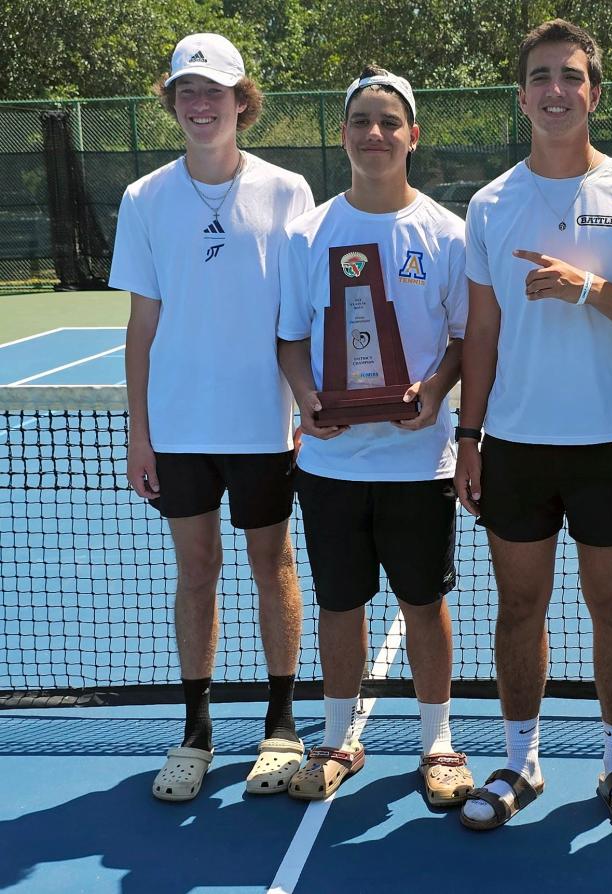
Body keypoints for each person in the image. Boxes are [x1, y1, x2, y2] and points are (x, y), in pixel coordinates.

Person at [454, 20, 612, 835]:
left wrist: (586, 288)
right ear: (521, 96)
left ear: (594, 93)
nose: (557, 89)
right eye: (541, 76)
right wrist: (468, 438)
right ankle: (522, 760)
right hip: (514, 450)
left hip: (608, 448)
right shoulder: (490, 204)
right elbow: (479, 336)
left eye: (572, 76)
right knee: (519, 609)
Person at [110, 33, 314, 802]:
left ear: (241, 102)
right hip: (179, 429)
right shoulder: (144, 197)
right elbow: (142, 325)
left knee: (275, 569)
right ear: (173, 102)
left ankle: (282, 725)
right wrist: (140, 432)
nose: (201, 105)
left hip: (266, 426)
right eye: (187, 92)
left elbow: (301, 315)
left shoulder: (289, 190)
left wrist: (303, 404)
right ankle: (195, 732)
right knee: (195, 573)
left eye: (215, 92)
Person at [277, 66, 473, 807]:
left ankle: (439, 744)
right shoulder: (308, 233)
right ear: (345, 134)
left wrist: (435, 390)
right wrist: (306, 399)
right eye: (361, 120)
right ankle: (335, 740)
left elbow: (461, 339)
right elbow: (291, 339)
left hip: (420, 461)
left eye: (390, 121)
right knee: (339, 605)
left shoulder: (447, 235)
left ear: (413, 135)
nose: (376, 134)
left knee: (425, 604)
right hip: (330, 463)